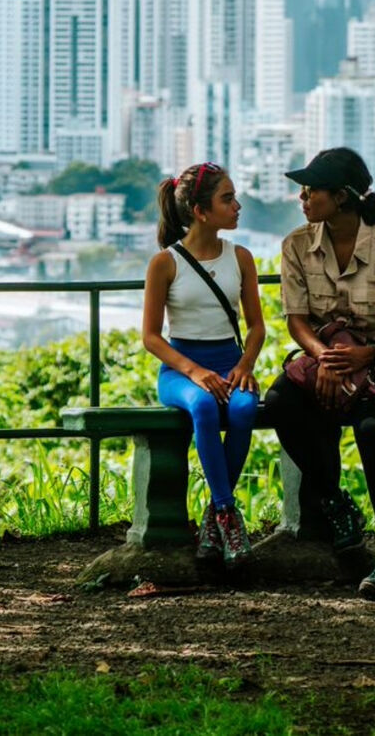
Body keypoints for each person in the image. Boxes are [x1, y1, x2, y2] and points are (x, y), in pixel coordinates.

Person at [264, 147, 375, 600]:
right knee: (279, 404)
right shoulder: (297, 244)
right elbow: (296, 320)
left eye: (311, 189)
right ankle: (335, 502)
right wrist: (326, 358)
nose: (303, 197)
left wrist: (366, 356)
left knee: (372, 431)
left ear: (341, 197)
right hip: (322, 363)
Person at [143, 161, 265, 567]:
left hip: (231, 366)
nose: (237, 206)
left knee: (245, 409)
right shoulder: (166, 263)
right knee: (204, 406)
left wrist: (246, 364)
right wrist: (194, 372)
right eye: (227, 199)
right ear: (200, 210)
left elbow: (257, 327)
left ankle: (215, 517)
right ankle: (228, 514)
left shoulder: (241, 257)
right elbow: (151, 337)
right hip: (182, 372)